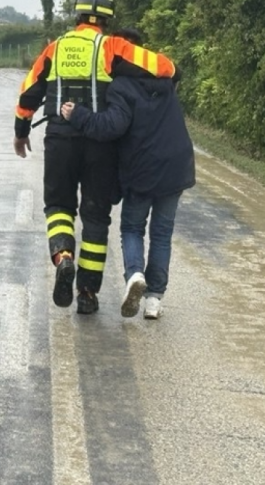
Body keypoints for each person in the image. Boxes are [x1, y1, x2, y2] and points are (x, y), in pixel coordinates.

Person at [13, 0, 176, 315]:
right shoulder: (112, 46)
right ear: (107, 19)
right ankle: (87, 292)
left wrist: (21, 131)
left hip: (60, 138)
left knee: (58, 207)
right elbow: (165, 67)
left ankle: (63, 257)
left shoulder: (54, 48)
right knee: (96, 216)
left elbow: (29, 91)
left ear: (77, 15)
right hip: (101, 144)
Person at [60, 29, 195, 319]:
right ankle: (154, 301)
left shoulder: (121, 85)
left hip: (143, 169)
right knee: (162, 232)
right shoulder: (164, 76)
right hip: (176, 165)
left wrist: (78, 115)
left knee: (133, 228)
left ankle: (135, 275)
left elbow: (111, 126)